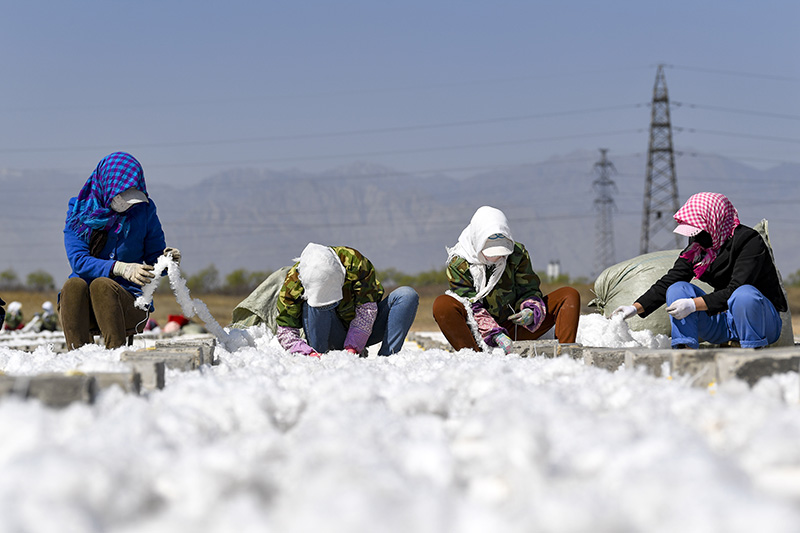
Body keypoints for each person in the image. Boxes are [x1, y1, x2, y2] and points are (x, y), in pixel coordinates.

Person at [613, 192, 786, 349]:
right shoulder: (699, 246)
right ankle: (685, 351)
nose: (695, 237)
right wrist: (635, 308)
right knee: (677, 288)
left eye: (699, 231)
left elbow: (736, 288)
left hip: (760, 321)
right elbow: (671, 279)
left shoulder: (749, 241)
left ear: (715, 221)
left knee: (744, 294)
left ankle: (752, 352)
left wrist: (693, 305)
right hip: (723, 320)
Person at [59, 152, 181, 350]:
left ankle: (115, 355)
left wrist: (167, 261)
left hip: (128, 303)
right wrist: (121, 268)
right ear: (106, 186)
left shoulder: (144, 211)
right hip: (84, 307)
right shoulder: (79, 212)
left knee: (103, 286)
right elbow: (79, 261)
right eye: (121, 196)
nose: (126, 204)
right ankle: (78, 356)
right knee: (73, 286)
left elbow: (154, 260)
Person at [433, 206, 580, 353]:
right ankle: (474, 356)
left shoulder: (517, 255)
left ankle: (566, 354)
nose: (497, 257)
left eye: (501, 251)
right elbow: (471, 305)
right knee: (443, 305)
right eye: (490, 251)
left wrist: (529, 310)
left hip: (515, 327)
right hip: (479, 332)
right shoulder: (460, 264)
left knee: (568, 295)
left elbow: (529, 289)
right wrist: (495, 334)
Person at [275, 243, 419, 357]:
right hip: (329, 334)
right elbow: (285, 331)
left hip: (364, 332)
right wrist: (307, 353)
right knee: (309, 306)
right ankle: (321, 360)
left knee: (406, 295)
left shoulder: (355, 264)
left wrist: (353, 347)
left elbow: (367, 309)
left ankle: (388, 358)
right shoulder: (293, 282)